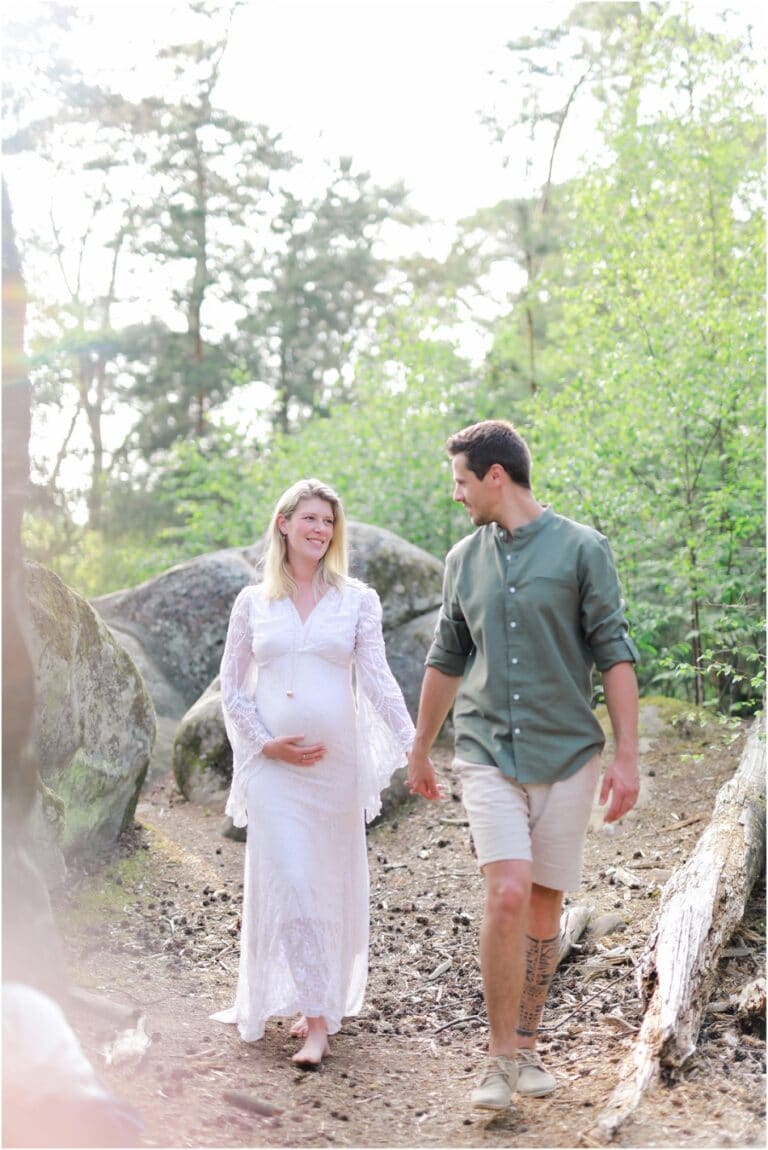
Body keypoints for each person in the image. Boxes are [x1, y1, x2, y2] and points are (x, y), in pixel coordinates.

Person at [407, 420, 639, 1113]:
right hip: (485, 750)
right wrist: (421, 746)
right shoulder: (461, 560)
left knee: (544, 905)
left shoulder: (581, 549)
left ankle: (531, 1046)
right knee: (507, 890)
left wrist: (627, 756)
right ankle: (498, 1059)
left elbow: (615, 653)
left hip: (567, 752)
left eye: (461, 481)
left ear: (496, 476)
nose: (457, 495)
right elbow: (447, 658)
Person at [211, 478, 415, 1067]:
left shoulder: (357, 600)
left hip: (333, 772)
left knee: (324, 886)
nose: (320, 530)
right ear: (284, 523)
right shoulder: (253, 603)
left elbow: (376, 678)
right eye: (310, 519)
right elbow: (233, 684)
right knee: (294, 880)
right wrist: (264, 744)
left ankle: (314, 999)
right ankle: (319, 1027)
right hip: (275, 768)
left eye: (328, 522)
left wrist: (413, 746)